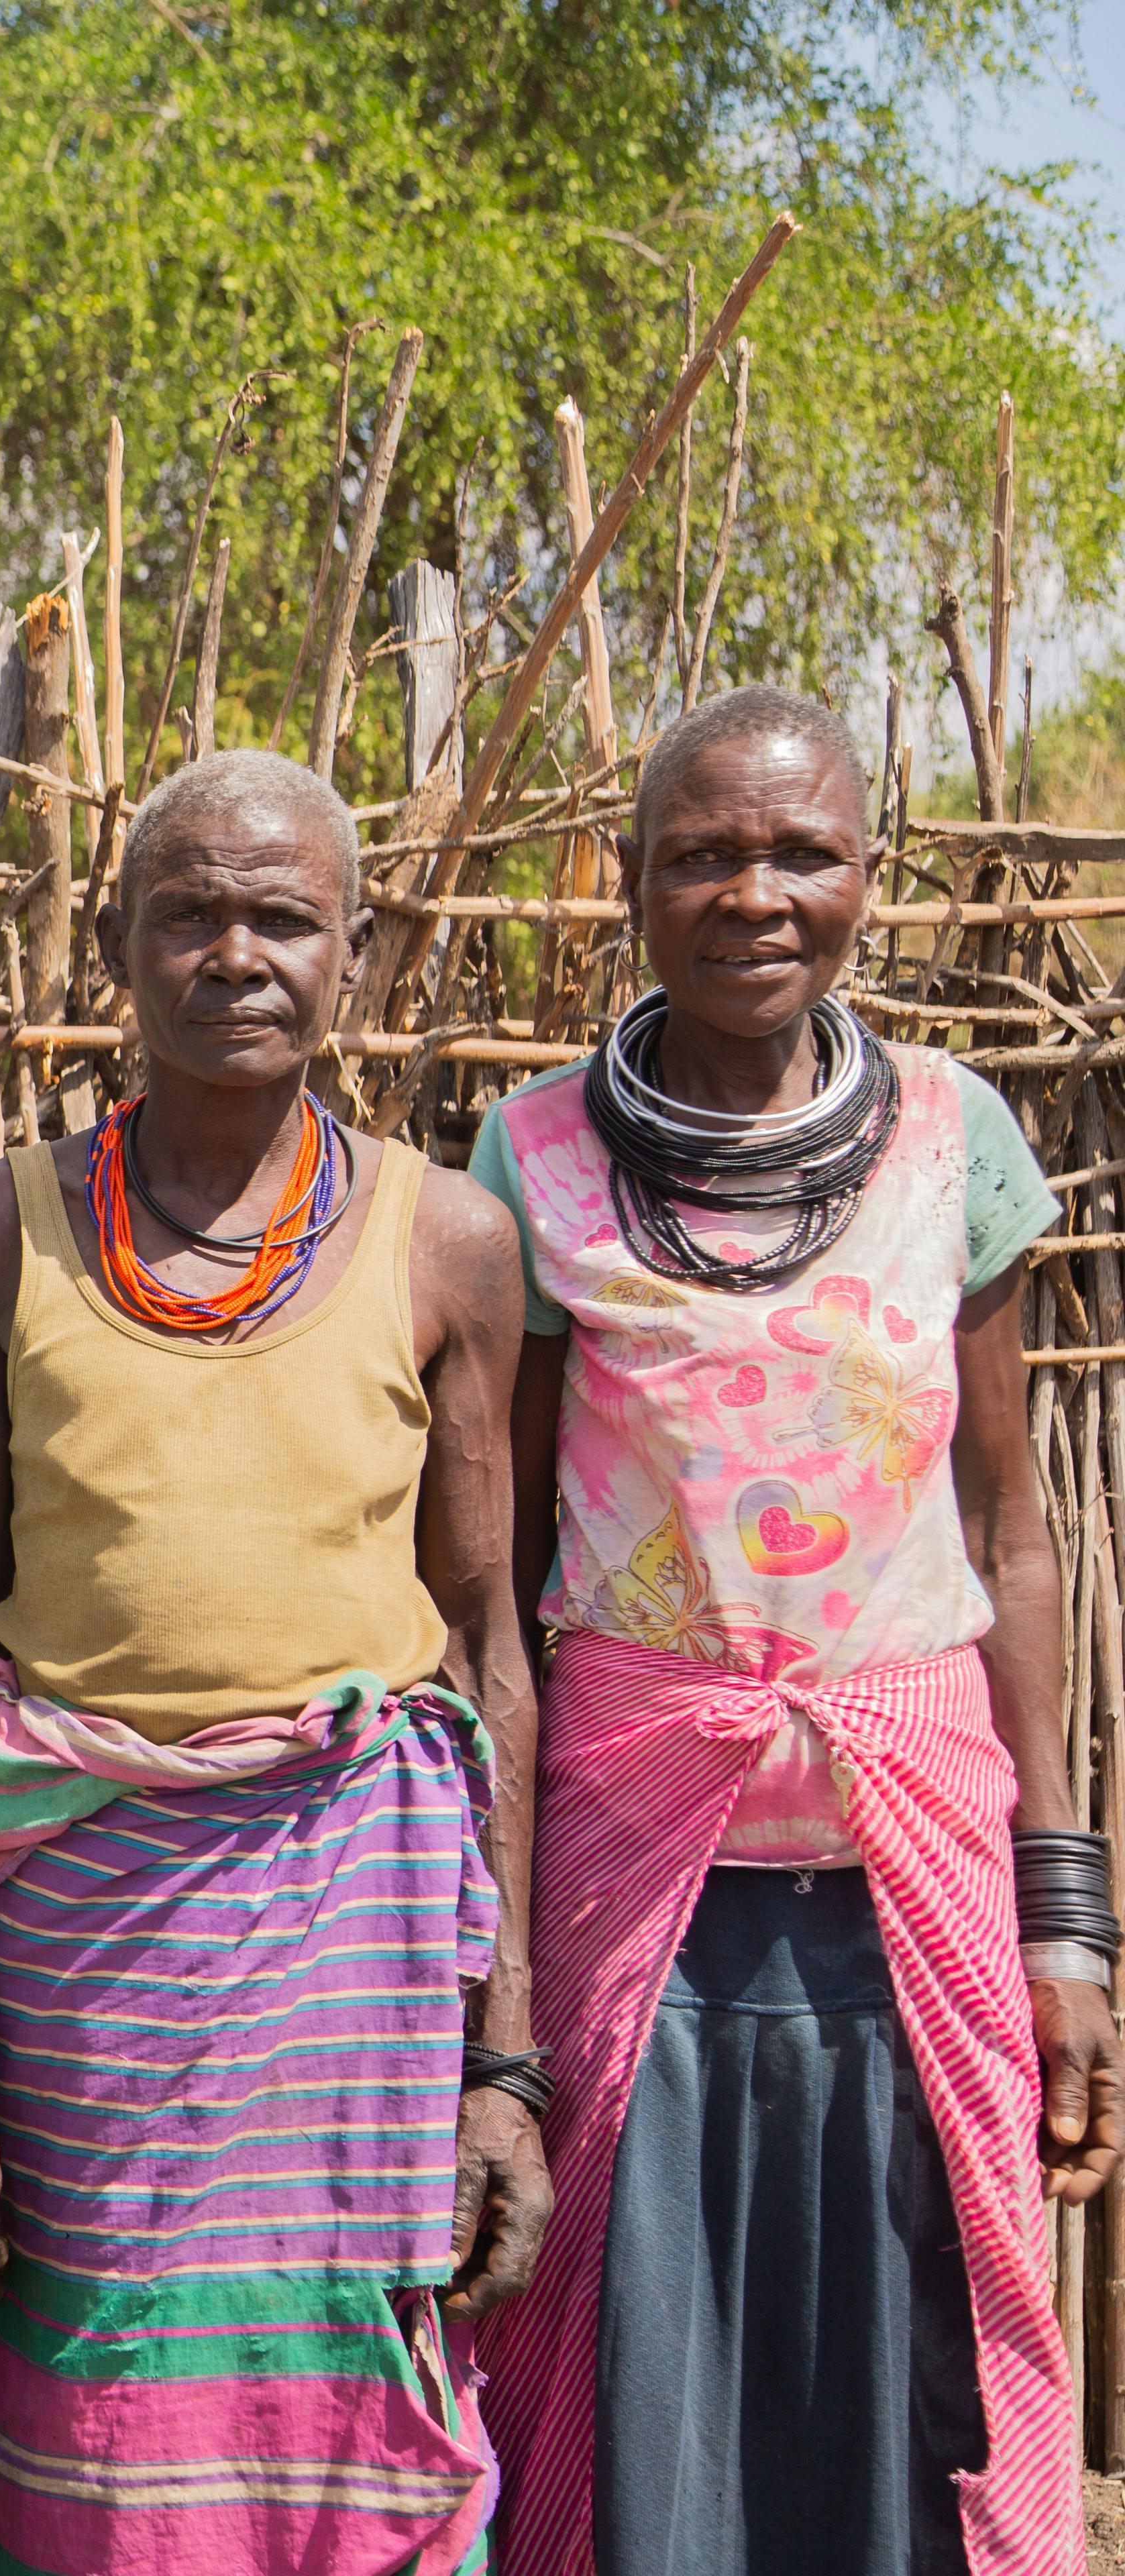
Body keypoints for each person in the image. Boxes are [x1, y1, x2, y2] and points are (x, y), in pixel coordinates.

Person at [468, 684, 1122, 2576]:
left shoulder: (952, 1142)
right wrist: (491, 1979)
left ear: (872, 877)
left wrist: (1063, 1912)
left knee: (912, 2405)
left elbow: (1008, 1525)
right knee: (635, 2387)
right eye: (704, 854)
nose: (755, 893)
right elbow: (500, 1582)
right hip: (628, 1897)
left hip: (912, 1882)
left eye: (802, 853)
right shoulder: (532, 1167)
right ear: (631, 881)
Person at [0, 747, 546, 2576]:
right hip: (77, 1939)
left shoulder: (449, 1243)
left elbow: (491, 1646)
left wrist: (505, 2059)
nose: (237, 954)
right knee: (95, 2406)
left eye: (284, 917)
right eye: (187, 914)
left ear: (355, 952)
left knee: (340, 2380)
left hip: (353, 1930)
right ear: (114, 942)